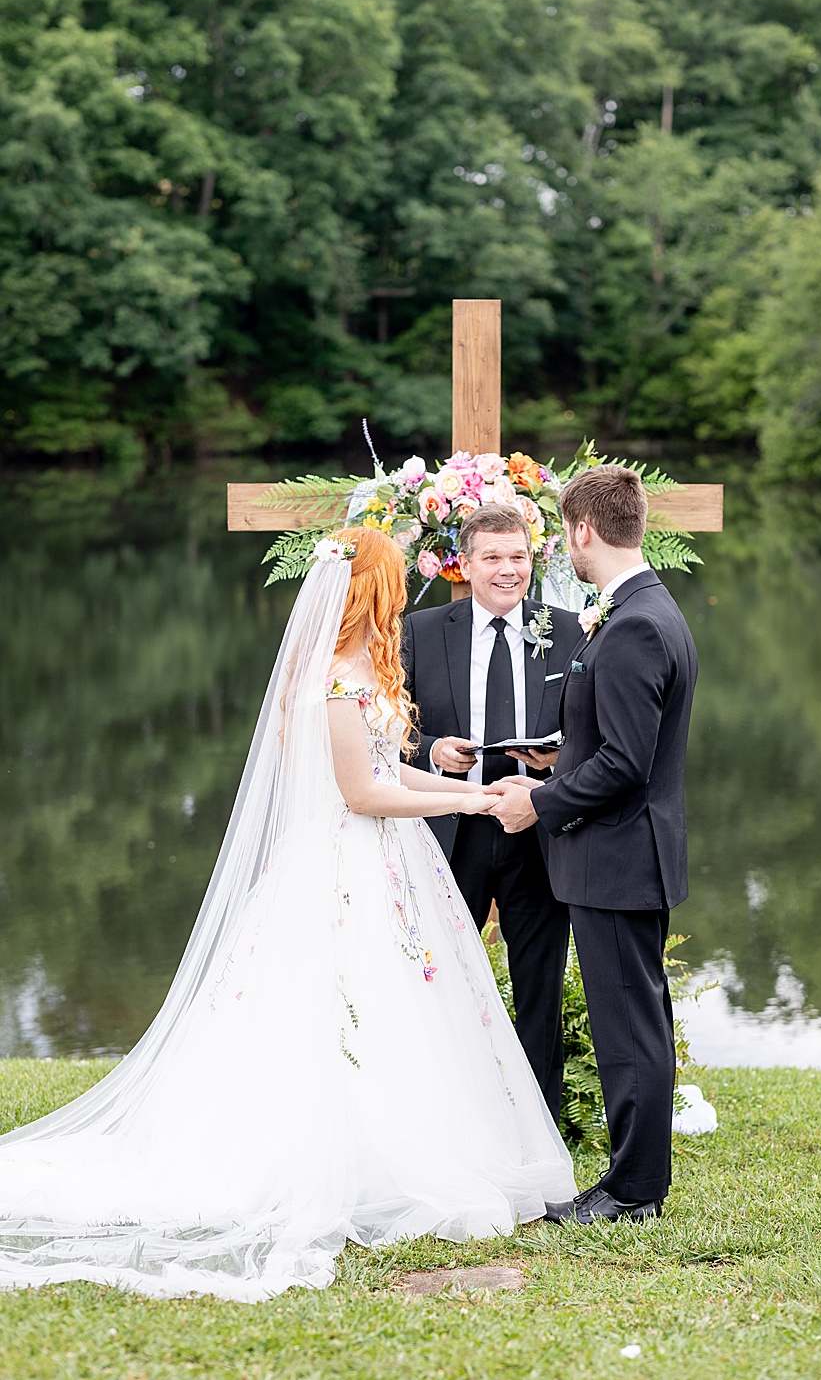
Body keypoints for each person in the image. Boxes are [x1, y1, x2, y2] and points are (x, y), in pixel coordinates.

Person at [0, 528, 573, 1300]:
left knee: (398, 1010)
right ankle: (338, 1160)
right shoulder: (335, 679)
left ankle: (395, 1146)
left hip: (389, 862)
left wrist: (451, 781)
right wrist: (475, 798)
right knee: (341, 1007)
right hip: (344, 863)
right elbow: (362, 794)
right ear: (371, 589)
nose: (406, 592)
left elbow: (385, 767)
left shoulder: (365, 668)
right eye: (397, 580)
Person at [485, 466, 697, 1227]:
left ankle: (633, 1191)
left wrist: (538, 800)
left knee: (627, 1024)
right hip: (623, 852)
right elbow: (611, 742)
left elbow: (627, 764)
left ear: (581, 530)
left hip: (616, 855)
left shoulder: (634, 622)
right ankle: (635, 1178)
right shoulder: (645, 605)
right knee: (633, 1017)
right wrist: (560, 755)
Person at [402, 504, 585, 1120]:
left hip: (536, 828)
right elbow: (384, 732)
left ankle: (539, 1122)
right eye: (493, 557)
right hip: (453, 831)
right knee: (441, 976)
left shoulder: (570, 630)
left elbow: (595, 734)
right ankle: (445, 1114)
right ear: (465, 562)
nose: (509, 571)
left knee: (540, 981)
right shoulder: (422, 632)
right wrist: (432, 751)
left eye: (519, 557)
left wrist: (552, 761)